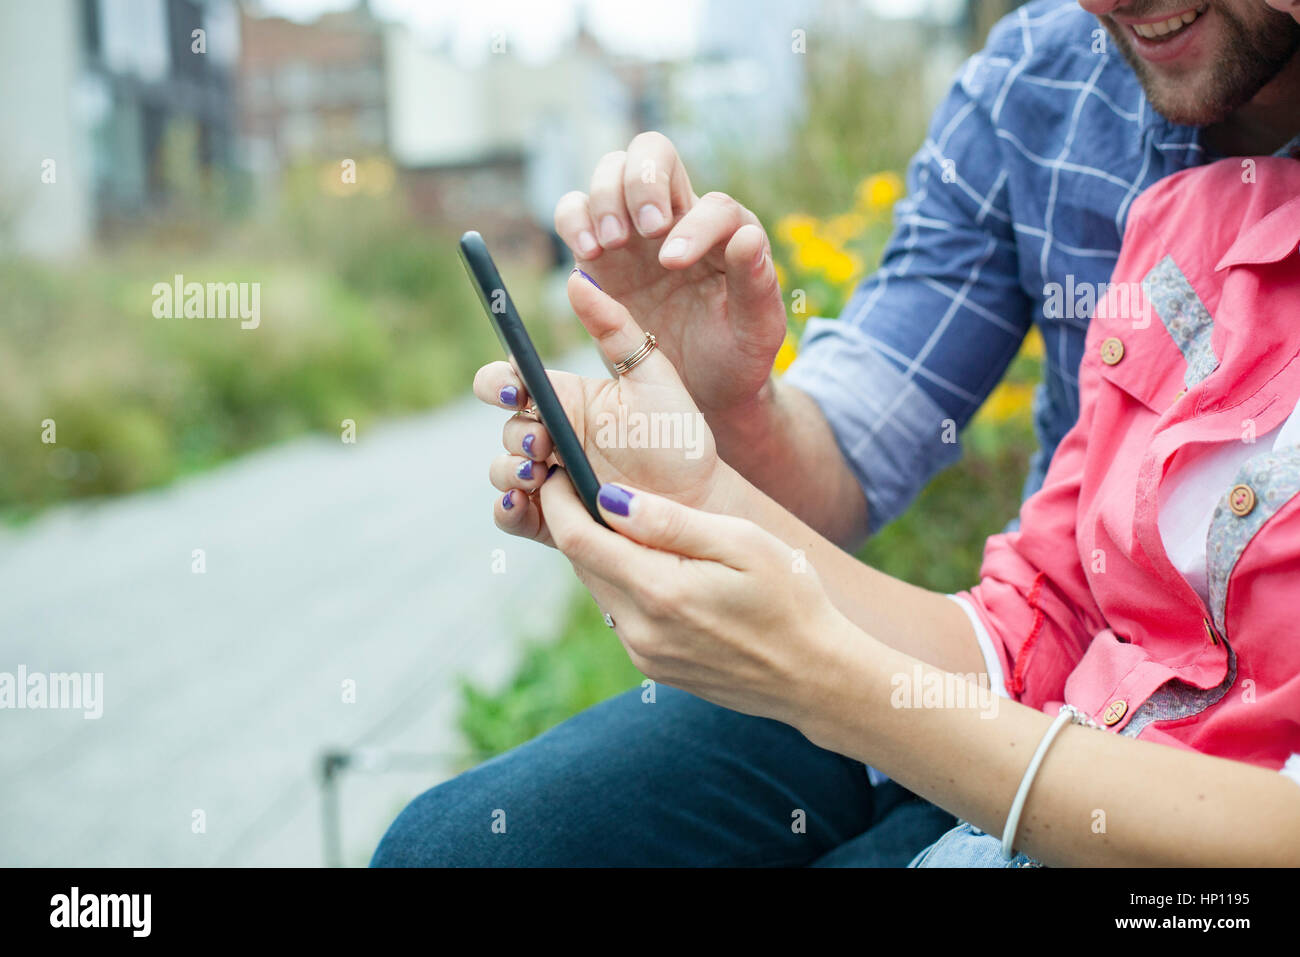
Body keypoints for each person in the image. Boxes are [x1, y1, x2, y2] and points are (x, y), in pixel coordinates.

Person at [372, 0, 1300, 866]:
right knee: (456, 846)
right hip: (1022, 688)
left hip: (1132, 789)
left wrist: (830, 680)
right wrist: (715, 438)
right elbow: (969, 549)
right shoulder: (1063, 108)